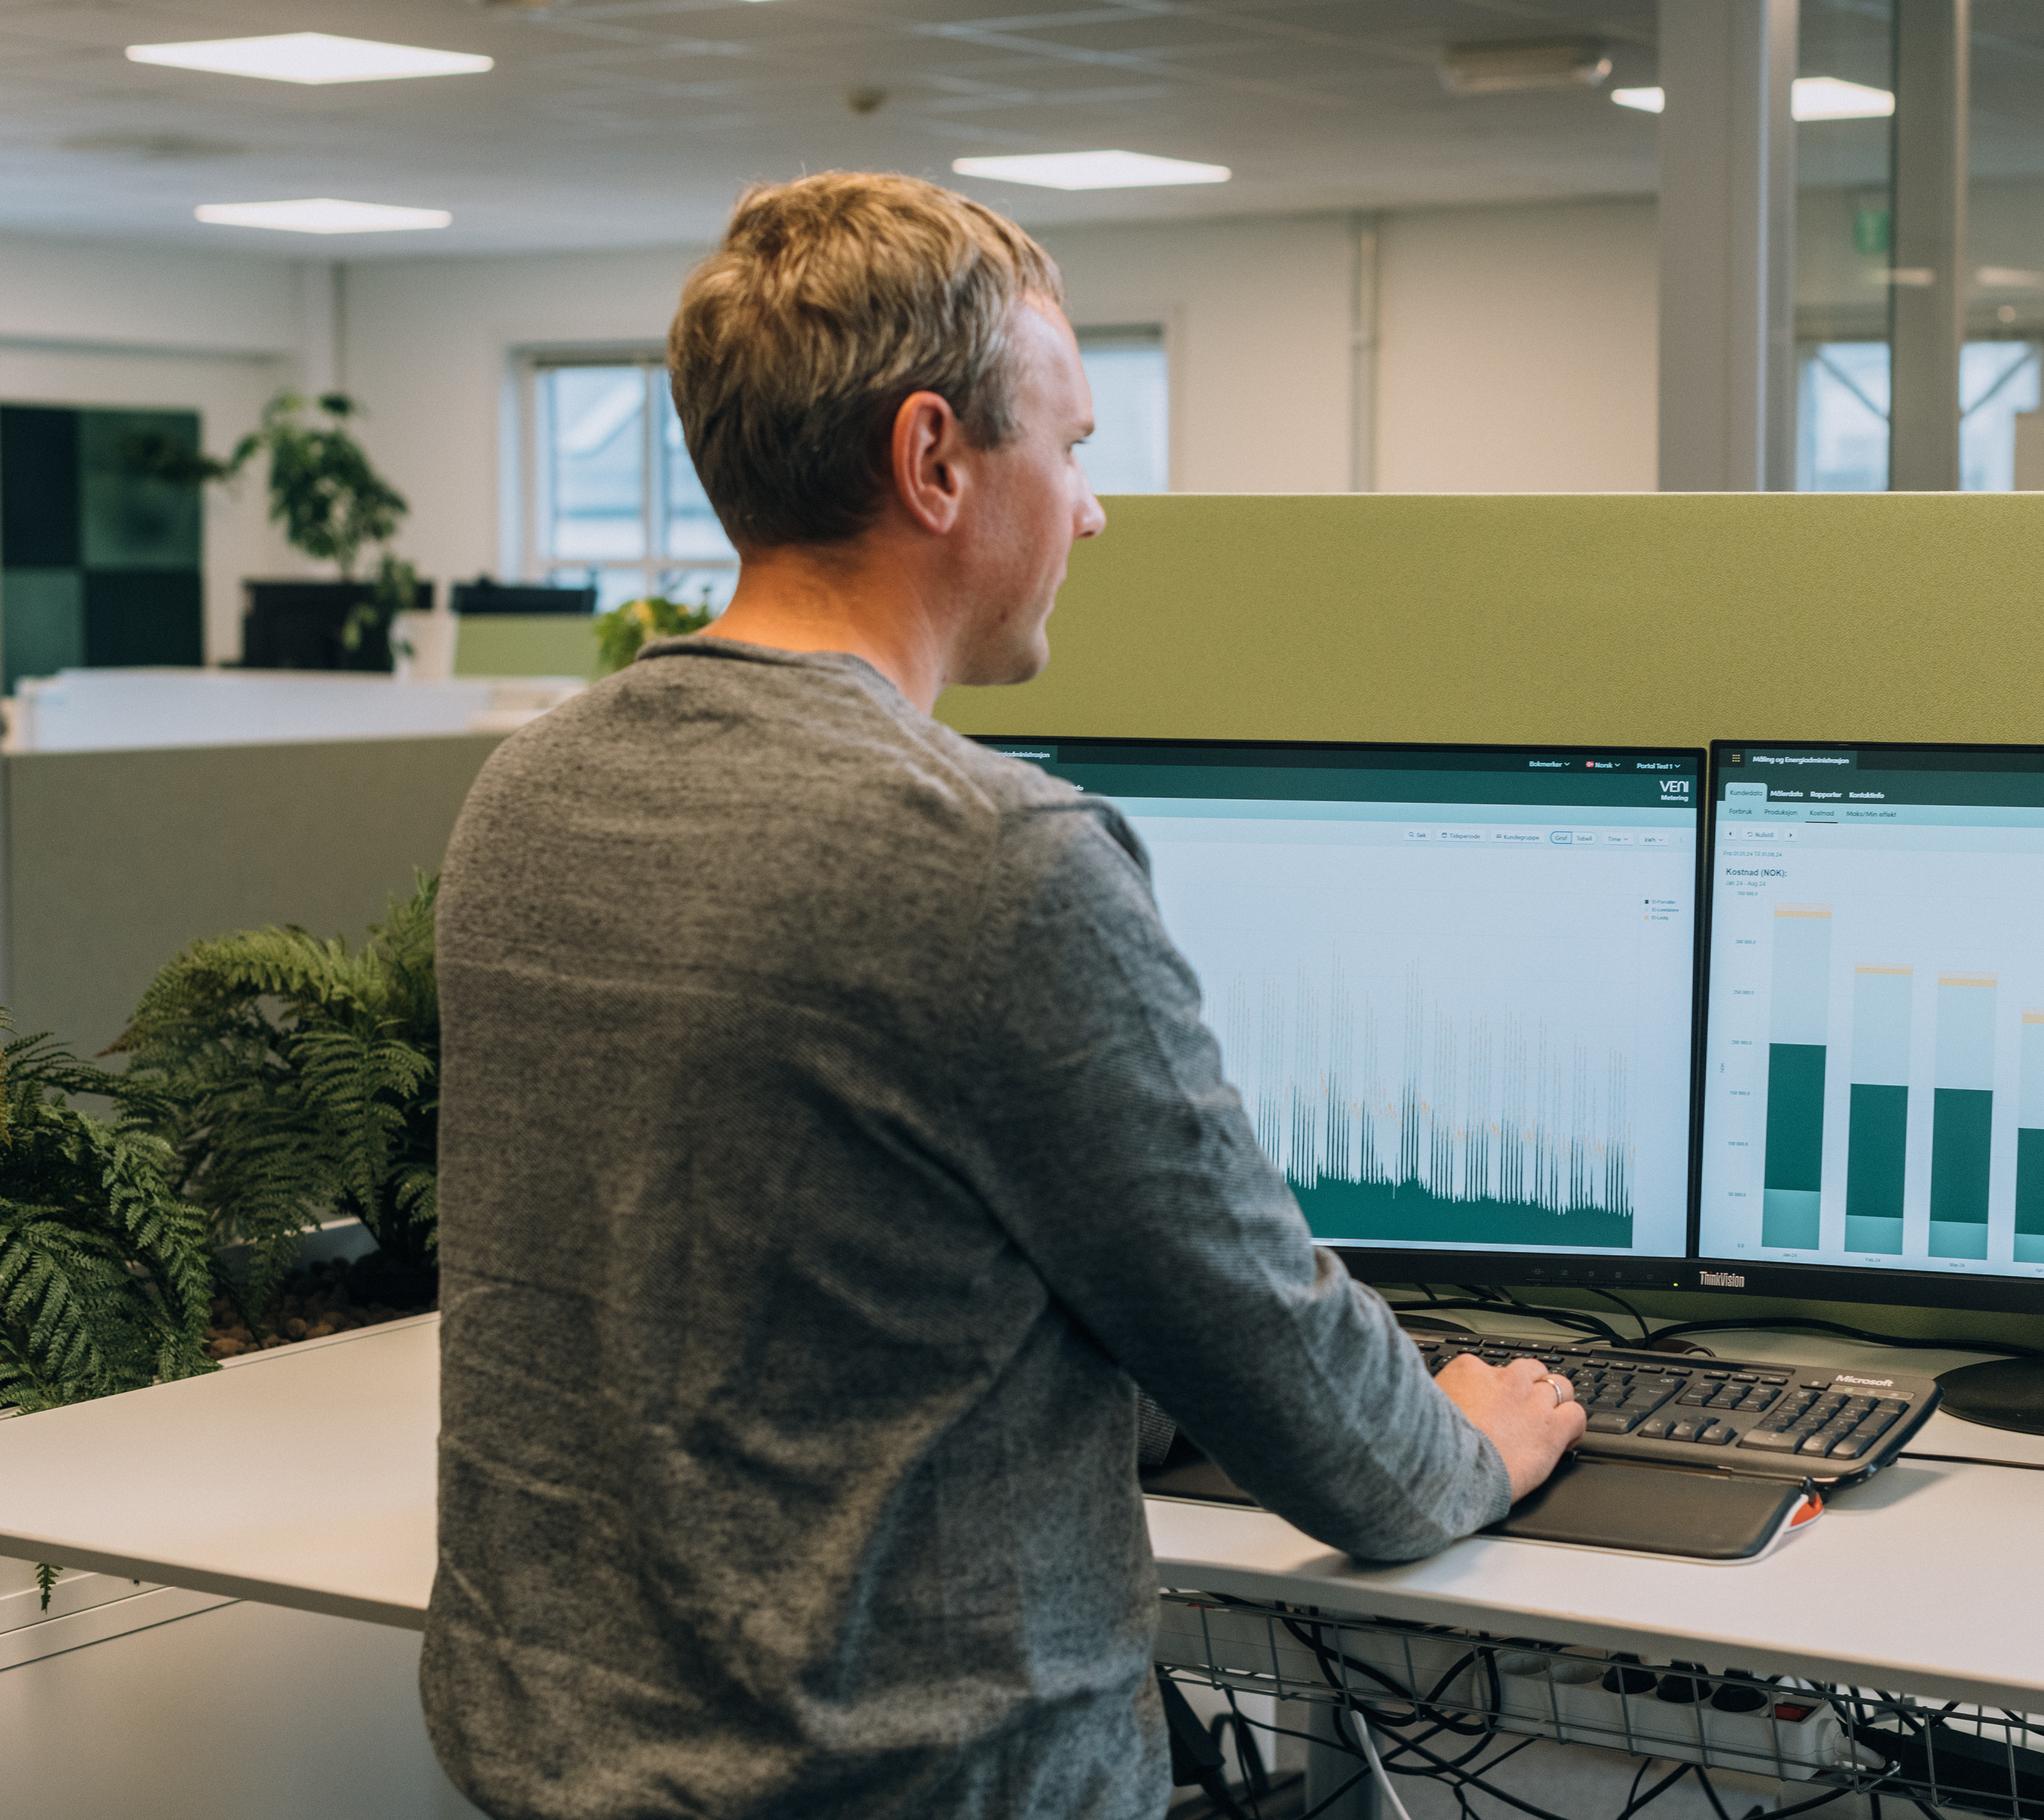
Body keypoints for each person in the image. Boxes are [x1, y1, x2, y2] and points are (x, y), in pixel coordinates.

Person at [420, 171, 1586, 1820]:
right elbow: (1305, 1399)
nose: (1093, 509)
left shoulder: (531, 792)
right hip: (914, 1780)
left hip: (553, 1759)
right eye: (1077, 445)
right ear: (934, 461)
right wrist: (1470, 1438)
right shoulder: (992, 856)